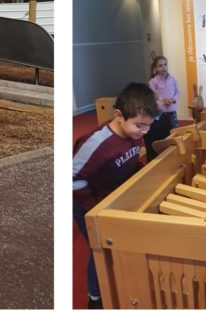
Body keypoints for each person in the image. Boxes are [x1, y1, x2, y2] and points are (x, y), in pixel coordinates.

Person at [73, 83, 157, 309]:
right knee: (97, 249)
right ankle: (95, 297)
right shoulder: (96, 143)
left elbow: (136, 156)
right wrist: (95, 208)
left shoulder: (136, 133)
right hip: (89, 205)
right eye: (140, 125)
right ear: (118, 115)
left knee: (115, 245)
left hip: (113, 198)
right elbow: (72, 179)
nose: (145, 132)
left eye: (149, 126)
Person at [145, 56, 180, 157]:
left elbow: (178, 92)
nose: (164, 67)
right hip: (161, 113)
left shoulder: (173, 79)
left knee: (175, 131)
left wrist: (173, 99)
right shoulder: (153, 82)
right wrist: (163, 100)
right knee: (163, 134)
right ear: (155, 68)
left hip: (172, 111)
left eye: (165, 65)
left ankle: (175, 152)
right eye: (160, 66)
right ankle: (165, 153)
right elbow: (154, 95)